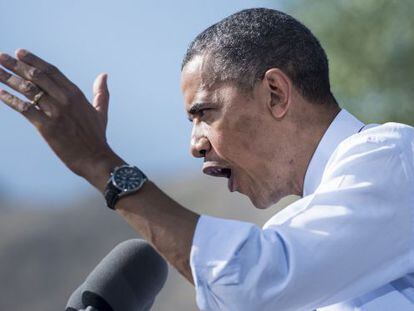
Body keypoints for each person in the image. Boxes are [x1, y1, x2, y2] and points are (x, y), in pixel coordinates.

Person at [0, 7, 413, 311]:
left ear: (275, 93)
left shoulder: (393, 156)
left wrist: (100, 164)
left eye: (203, 113)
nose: (195, 145)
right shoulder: (293, 235)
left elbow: (257, 285)